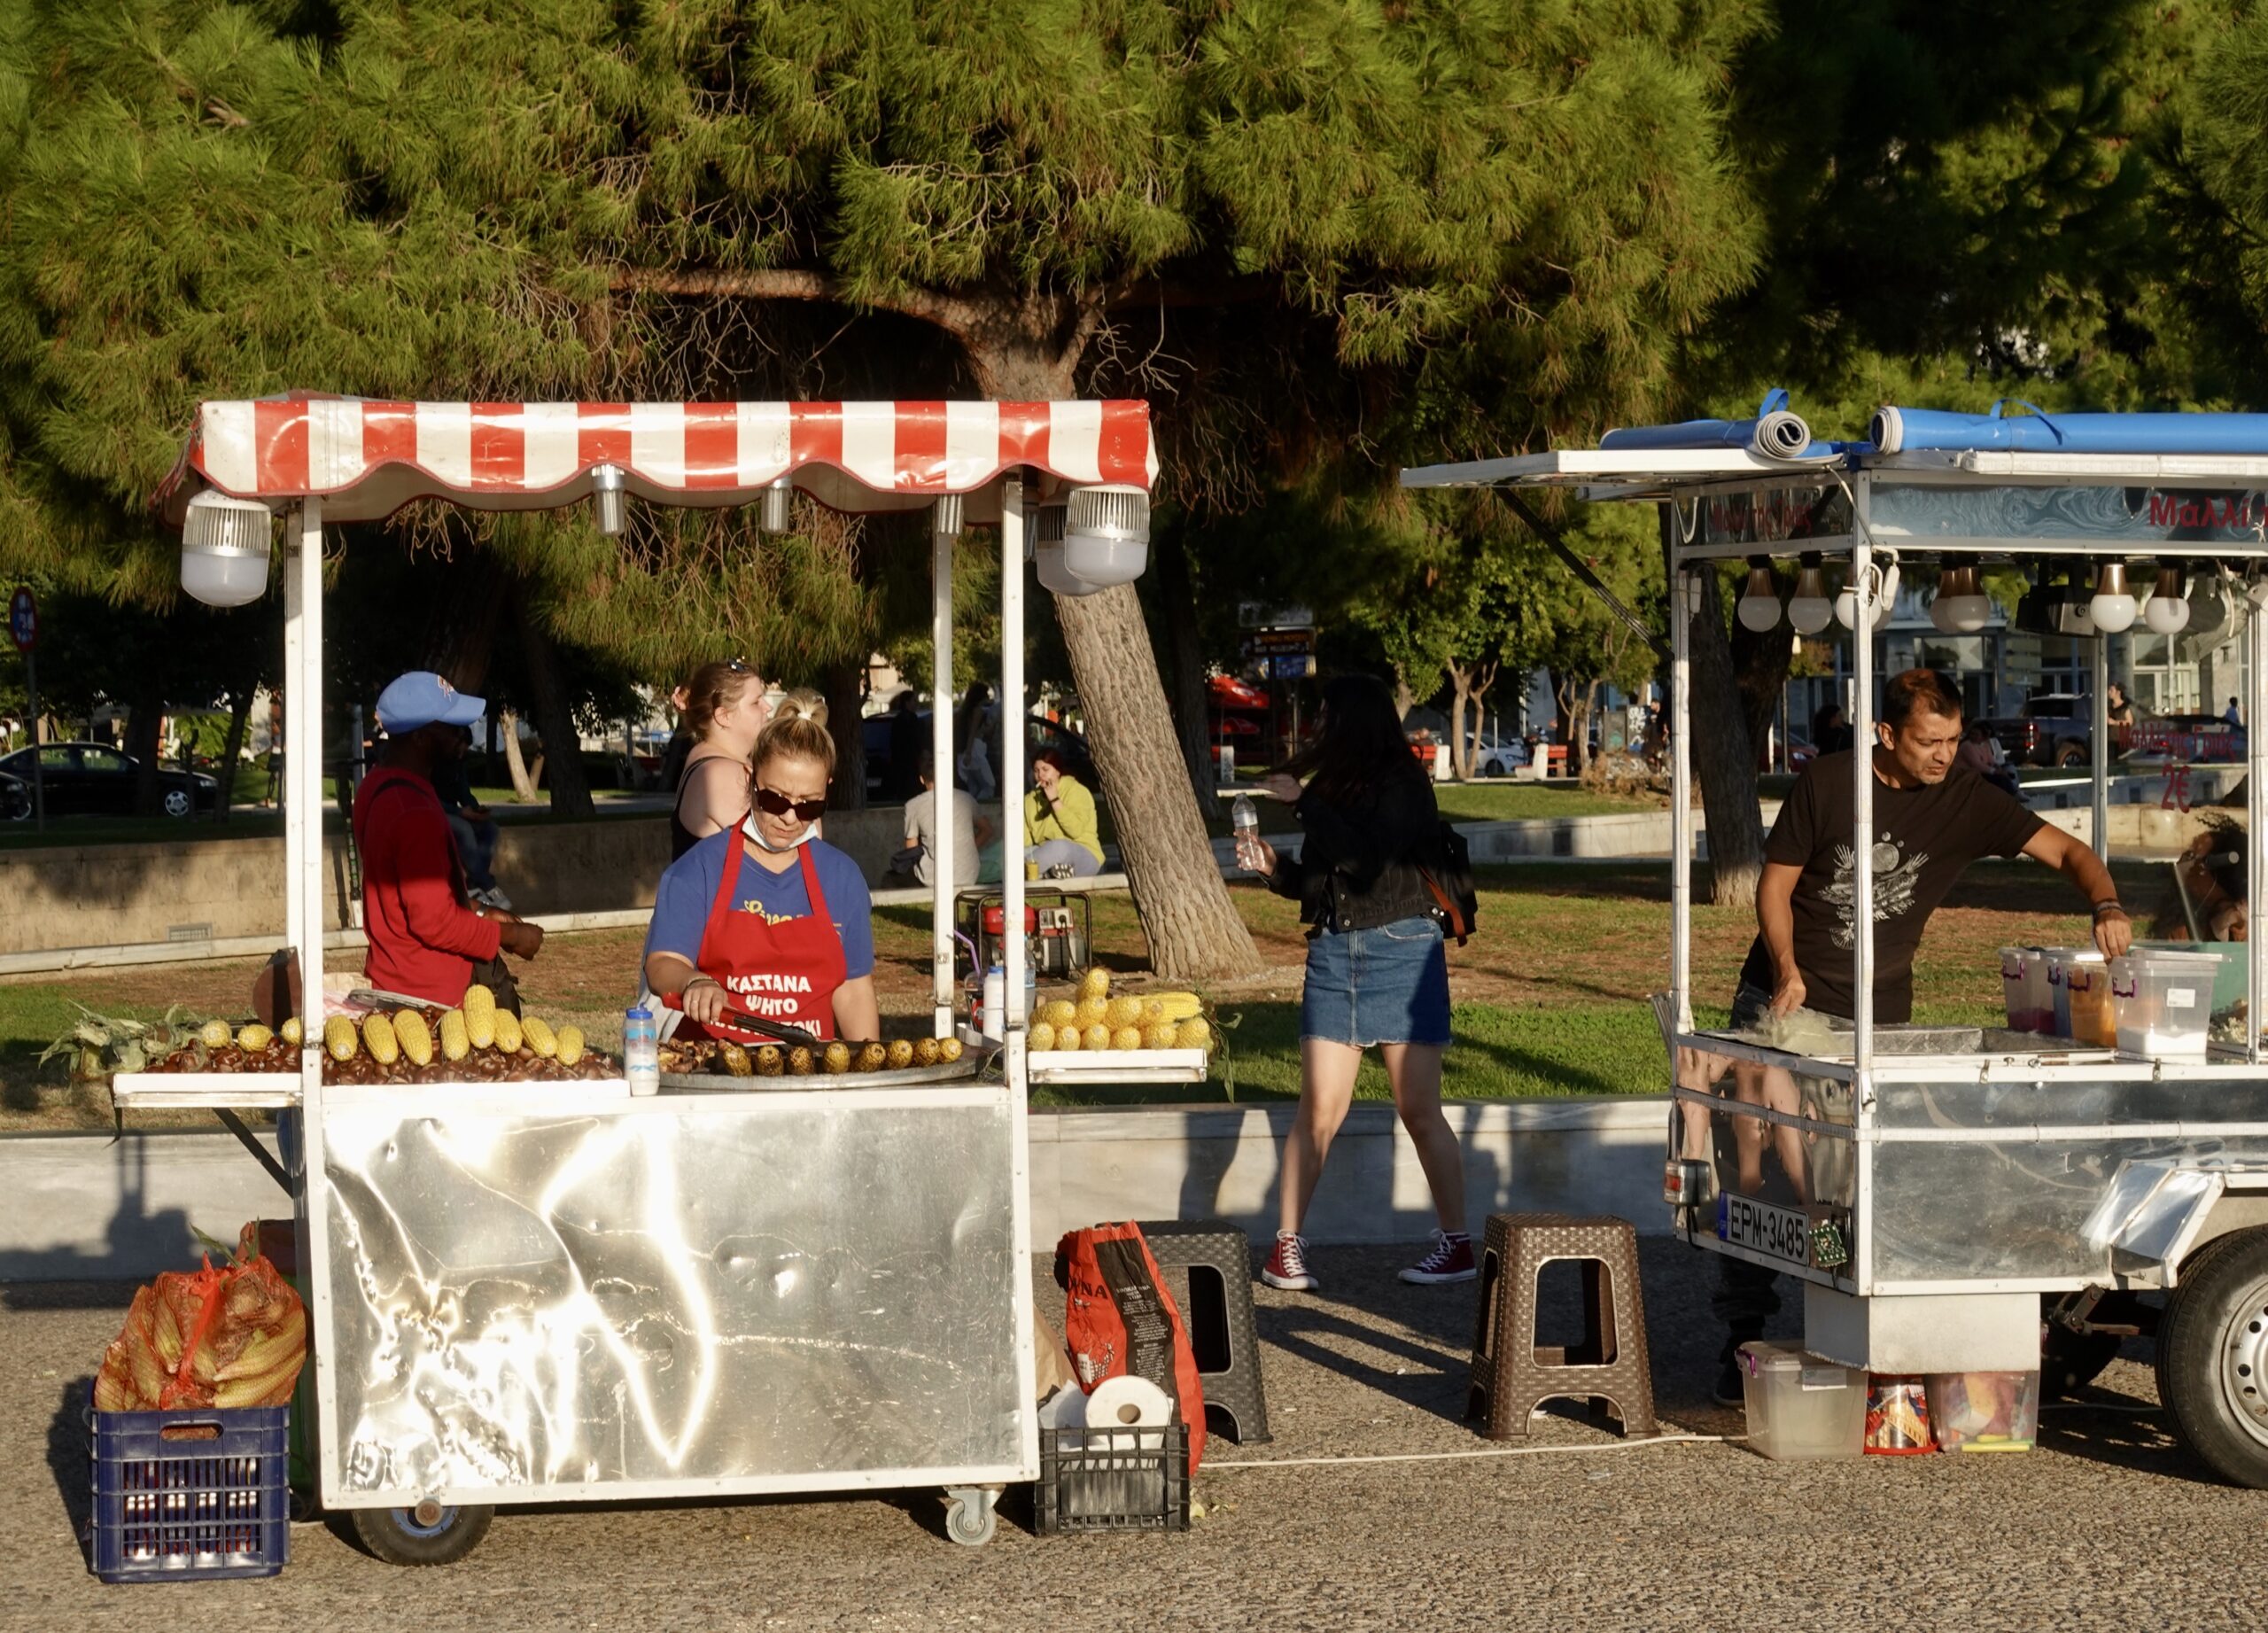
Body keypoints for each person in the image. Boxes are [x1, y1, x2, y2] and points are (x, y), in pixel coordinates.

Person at [1700, 667, 2131, 1403]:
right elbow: (1775, 884)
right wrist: (1787, 967)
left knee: (1838, 1179)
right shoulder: (1830, 783)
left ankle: (1830, 1322)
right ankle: (1742, 1331)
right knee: (1759, 1171)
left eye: (1954, 739)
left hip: (1878, 1015)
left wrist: (2108, 902)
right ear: (1887, 734)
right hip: (1783, 1002)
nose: (1943, 754)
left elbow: (2069, 853)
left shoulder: (1967, 798)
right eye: (1929, 741)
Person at [1237, 673, 1472, 1290]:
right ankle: (1284, 1248)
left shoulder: (1403, 782)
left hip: (1403, 949)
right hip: (1336, 953)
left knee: (1418, 1107)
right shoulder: (1335, 786)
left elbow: (1368, 864)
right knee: (1318, 1108)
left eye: (1325, 715)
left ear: (1353, 721)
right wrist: (1273, 868)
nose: (1318, 727)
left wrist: (1302, 803)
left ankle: (1456, 1243)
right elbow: (1322, 877)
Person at [642, 696, 881, 1043]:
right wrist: (692, 981)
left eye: (809, 805)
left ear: (827, 790)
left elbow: (854, 990)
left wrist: (868, 1071)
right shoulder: (699, 868)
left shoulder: (842, 877)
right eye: (775, 799)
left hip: (809, 1073)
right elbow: (662, 963)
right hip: (717, 1066)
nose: (789, 817)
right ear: (750, 778)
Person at [353, 673, 544, 1007]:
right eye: (453, 728)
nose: (461, 738)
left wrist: (483, 911)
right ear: (422, 737)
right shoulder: (413, 812)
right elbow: (434, 922)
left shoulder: (376, 786)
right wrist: (513, 936)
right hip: (430, 998)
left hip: (393, 978)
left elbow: (412, 897)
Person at [670, 658, 771, 861]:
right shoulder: (722, 773)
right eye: (755, 702)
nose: (767, 707)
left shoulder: (704, 756)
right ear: (724, 716)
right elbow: (774, 855)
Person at [432, 725, 508, 909]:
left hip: (455, 812)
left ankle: (473, 881)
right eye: (462, 745)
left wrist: (476, 809)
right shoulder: (434, 764)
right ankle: (487, 884)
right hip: (436, 812)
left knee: (490, 830)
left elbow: (463, 792)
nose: (463, 751)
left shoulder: (458, 764)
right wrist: (459, 812)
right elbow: (431, 798)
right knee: (463, 829)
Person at [902, 750, 993, 888]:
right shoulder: (966, 798)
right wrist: (969, 848)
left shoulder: (913, 806)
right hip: (969, 874)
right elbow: (987, 830)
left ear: (921, 779)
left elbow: (911, 850)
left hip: (932, 878)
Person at [1024, 750, 1103, 878]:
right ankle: (1048, 873)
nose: (1040, 775)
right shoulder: (1030, 800)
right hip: (1044, 853)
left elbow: (1075, 830)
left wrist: (1055, 800)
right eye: (1036, 770)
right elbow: (1026, 840)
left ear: (1058, 771)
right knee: (1016, 853)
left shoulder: (1077, 791)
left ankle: (1022, 873)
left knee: (1059, 846)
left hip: (1082, 853)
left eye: (1045, 769)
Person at [958, 682, 998, 800]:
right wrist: (969, 752)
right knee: (989, 786)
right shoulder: (978, 711)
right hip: (974, 750)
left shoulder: (965, 711)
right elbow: (973, 731)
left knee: (974, 787)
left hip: (965, 751)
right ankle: (978, 809)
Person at [884, 689, 925, 803]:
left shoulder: (898, 719)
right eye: (914, 701)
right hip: (910, 761)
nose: (916, 703)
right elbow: (916, 740)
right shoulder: (911, 719)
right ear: (907, 702)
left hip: (900, 762)